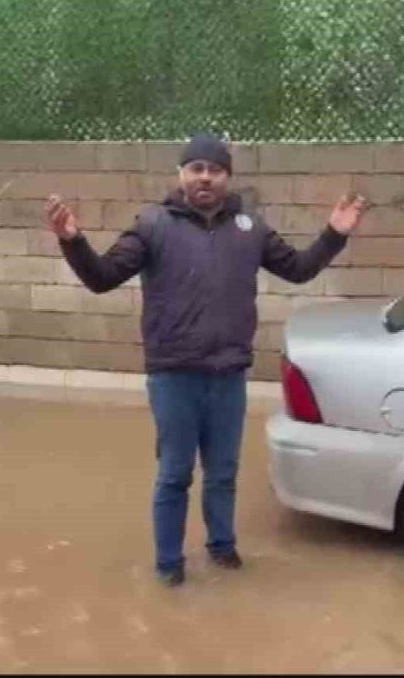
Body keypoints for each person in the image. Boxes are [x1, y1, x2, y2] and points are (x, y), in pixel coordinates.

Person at [44, 133, 368, 587]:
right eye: (196, 168)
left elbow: (298, 269)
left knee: (223, 473)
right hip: (173, 375)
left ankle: (222, 548)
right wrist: (73, 242)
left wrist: (335, 234)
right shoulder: (153, 225)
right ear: (181, 174)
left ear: (227, 177)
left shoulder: (250, 229)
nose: (205, 178)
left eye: (214, 170)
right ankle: (169, 565)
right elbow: (103, 277)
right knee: (175, 474)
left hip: (228, 375)